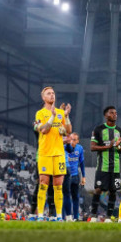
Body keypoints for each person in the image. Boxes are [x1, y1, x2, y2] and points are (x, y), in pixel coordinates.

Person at [33, 86, 71, 221]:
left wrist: (66, 116)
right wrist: (52, 118)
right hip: (45, 153)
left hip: (59, 153)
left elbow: (68, 131)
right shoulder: (40, 113)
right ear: (43, 97)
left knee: (58, 185)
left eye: (53, 93)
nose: (52, 95)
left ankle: (59, 216)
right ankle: (41, 215)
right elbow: (43, 130)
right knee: (43, 183)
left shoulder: (60, 112)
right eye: (49, 93)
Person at [90, 106, 121, 222]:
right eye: (112, 113)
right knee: (98, 190)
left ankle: (109, 217)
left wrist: (118, 146)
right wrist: (108, 146)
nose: (115, 114)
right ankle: (94, 215)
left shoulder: (120, 131)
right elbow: (92, 147)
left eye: (116, 113)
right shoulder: (98, 129)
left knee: (113, 191)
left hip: (115, 168)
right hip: (102, 166)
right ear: (106, 115)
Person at [63, 133, 85, 222]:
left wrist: (84, 176)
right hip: (66, 175)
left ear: (78, 141)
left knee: (75, 197)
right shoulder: (65, 147)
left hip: (75, 175)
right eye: (71, 139)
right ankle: (65, 216)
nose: (72, 141)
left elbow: (82, 163)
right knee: (66, 195)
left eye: (74, 139)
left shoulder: (79, 148)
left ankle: (76, 217)